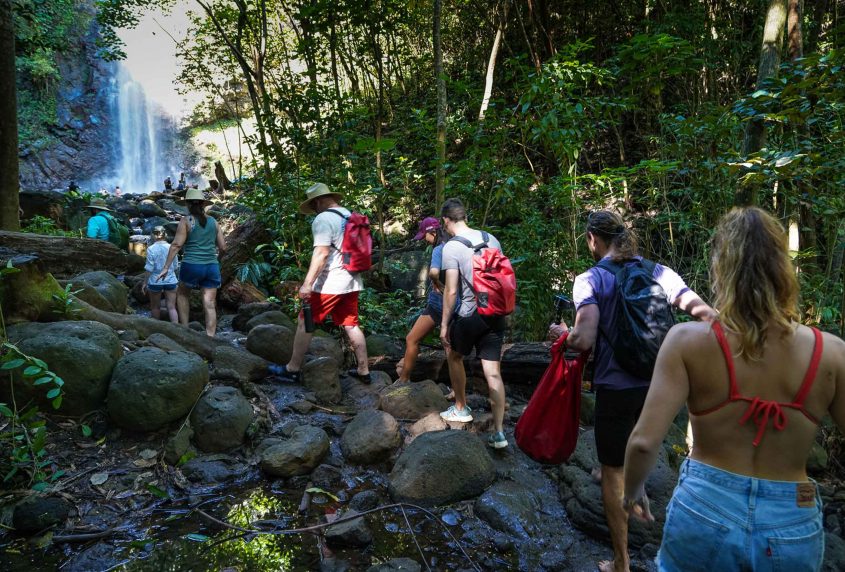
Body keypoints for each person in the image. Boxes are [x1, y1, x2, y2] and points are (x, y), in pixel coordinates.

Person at [623, 207, 845, 571]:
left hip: (705, 507)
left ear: (721, 268)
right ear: (783, 269)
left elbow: (644, 442)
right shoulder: (831, 354)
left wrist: (630, 493)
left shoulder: (687, 342)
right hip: (793, 514)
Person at [547, 210, 716, 572]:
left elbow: (584, 338)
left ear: (593, 238)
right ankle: (637, 489)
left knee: (611, 468)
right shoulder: (660, 272)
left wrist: (563, 335)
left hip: (616, 385)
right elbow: (707, 315)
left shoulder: (589, 279)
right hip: (662, 383)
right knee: (641, 439)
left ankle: (621, 562)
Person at [273, 183, 370, 384]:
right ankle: (364, 370)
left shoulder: (323, 219)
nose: (313, 211)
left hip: (330, 283)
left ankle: (292, 368)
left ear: (317, 201)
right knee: (350, 324)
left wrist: (307, 284)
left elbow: (321, 253)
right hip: (352, 280)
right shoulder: (349, 215)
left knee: (305, 320)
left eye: (313, 206)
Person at [438, 198, 509, 448]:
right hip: (497, 314)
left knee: (453, 354)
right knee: (493, 373)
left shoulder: (451, 247)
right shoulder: (491, 239)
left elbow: (451, 291)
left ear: (447, 220)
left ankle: (460, 407)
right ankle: (499, 432)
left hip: (471, 314)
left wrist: (445, 324)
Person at [157, 188, 226, 337]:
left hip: (191, 265)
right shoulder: (214, 222)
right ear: (203, 204)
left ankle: (185, 331)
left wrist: (166, 267)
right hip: (211, 266)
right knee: (209, 303)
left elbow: (176, 245)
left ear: (187, 205)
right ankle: (210, 338)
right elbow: (223, 247)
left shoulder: (186, 221)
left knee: (182, 294)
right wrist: (217, 260)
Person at [396, 216, 454, 383]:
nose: (425, 241)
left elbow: (434, 273)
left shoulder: (439, 249)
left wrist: (436, 282)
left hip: (440, 306)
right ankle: (457, 391)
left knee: (413, 339)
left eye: (425, 236)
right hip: (446, 305)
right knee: (448, 348)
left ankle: (404, 378)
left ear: (433, 232)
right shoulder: (453, 245)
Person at [143, 226, 178, 323]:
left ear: (153, 235)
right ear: (165, 235)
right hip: (171, 280)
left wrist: (145, 282)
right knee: (172, 307)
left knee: (155, 307)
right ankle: (178, 329)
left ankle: (157, 330)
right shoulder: (172, 247)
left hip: (155, 281)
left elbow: (149, 268)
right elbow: (175, 266)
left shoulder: (151, 249)